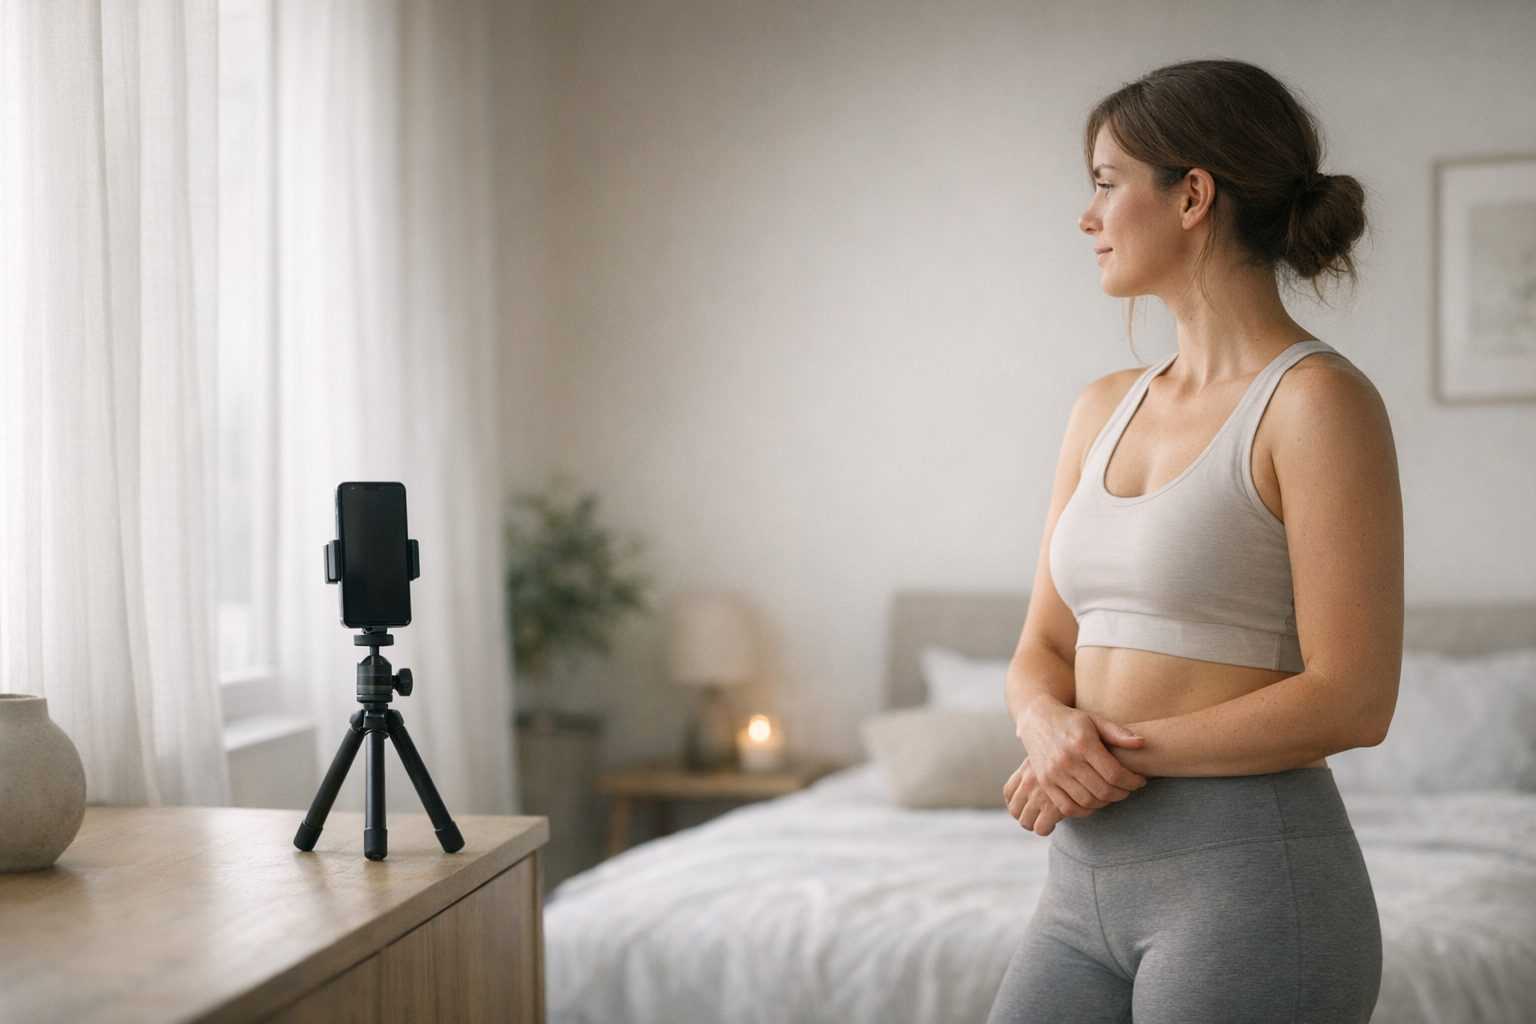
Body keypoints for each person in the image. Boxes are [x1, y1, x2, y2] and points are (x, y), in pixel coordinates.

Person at [988, 59, 1402, 1024]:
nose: (1086, 217)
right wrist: (1046, 728)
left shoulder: (1317, 404)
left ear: (1193, 196)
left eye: (1104, 182)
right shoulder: (1102, 407)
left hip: (1250, 885)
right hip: (1077, 887)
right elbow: (1041, 650)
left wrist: (1111, 753)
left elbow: (1354, 697)